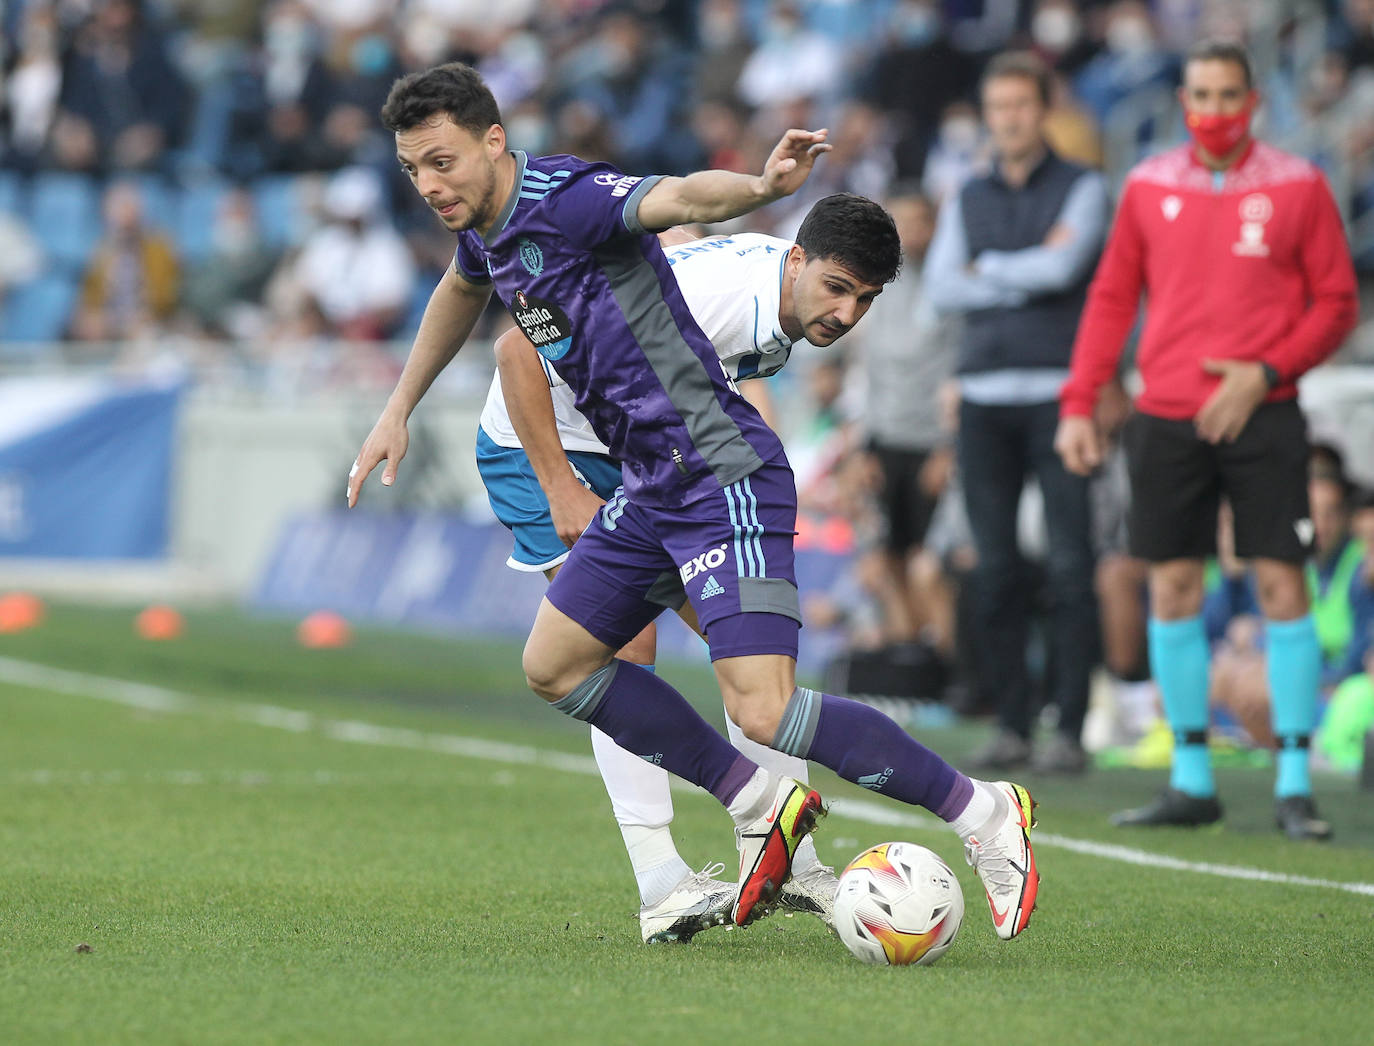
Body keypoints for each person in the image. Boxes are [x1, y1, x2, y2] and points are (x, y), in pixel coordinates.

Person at [347, 62, 1039, 940]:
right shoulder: (489, 224)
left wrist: (754, 184)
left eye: (442, 161)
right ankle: (758, 809)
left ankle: (983, 814)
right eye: (414, 169)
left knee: (762, 702)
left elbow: (677, 198)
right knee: (557, 663)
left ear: (494, 142)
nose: (429, 185)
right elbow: (463, 290)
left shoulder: (570, 196)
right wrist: (398, 409)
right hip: (632, 477)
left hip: (718, 476)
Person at [477, 208, 871, 942]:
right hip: (545, 442)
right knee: (614, 649)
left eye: (863, 299)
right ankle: (661, 881)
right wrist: (559, 484)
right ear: (801, 262)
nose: (847, 313)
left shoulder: (780, 293)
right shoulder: (725, 291)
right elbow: (516, 349)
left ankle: (789, 857)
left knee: (749, 654)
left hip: (645, 452)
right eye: (842, 290)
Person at [1056, 40, 1358, 839]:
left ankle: (1294, 784)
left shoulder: (1300, 183)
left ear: (1253, 102)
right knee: (1172, 589)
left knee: (1283, 587)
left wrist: (1263, 372)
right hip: (1166, 417)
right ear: (1183, 98)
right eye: (1201, 95)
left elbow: (1336, 304)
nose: (1215, 111)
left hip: (1266, 411)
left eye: (1230, 96)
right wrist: (1080, 401)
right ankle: (1192, 779)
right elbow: (1114, 296)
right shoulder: (1149, 183)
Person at [926, 50, 1109, 775]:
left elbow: (1066, 269)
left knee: (1070, 567)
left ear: (1044, 110)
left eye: (1020, 106)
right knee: (994, 569)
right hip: (982, 397)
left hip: (1062, 396)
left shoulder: (1084, 185)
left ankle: (1068, 727)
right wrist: (1023, 267)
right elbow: (942, 288)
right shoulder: (966, 192)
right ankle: (1011, 722)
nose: (1008, 119)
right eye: (997, 107)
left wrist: (987, 269)